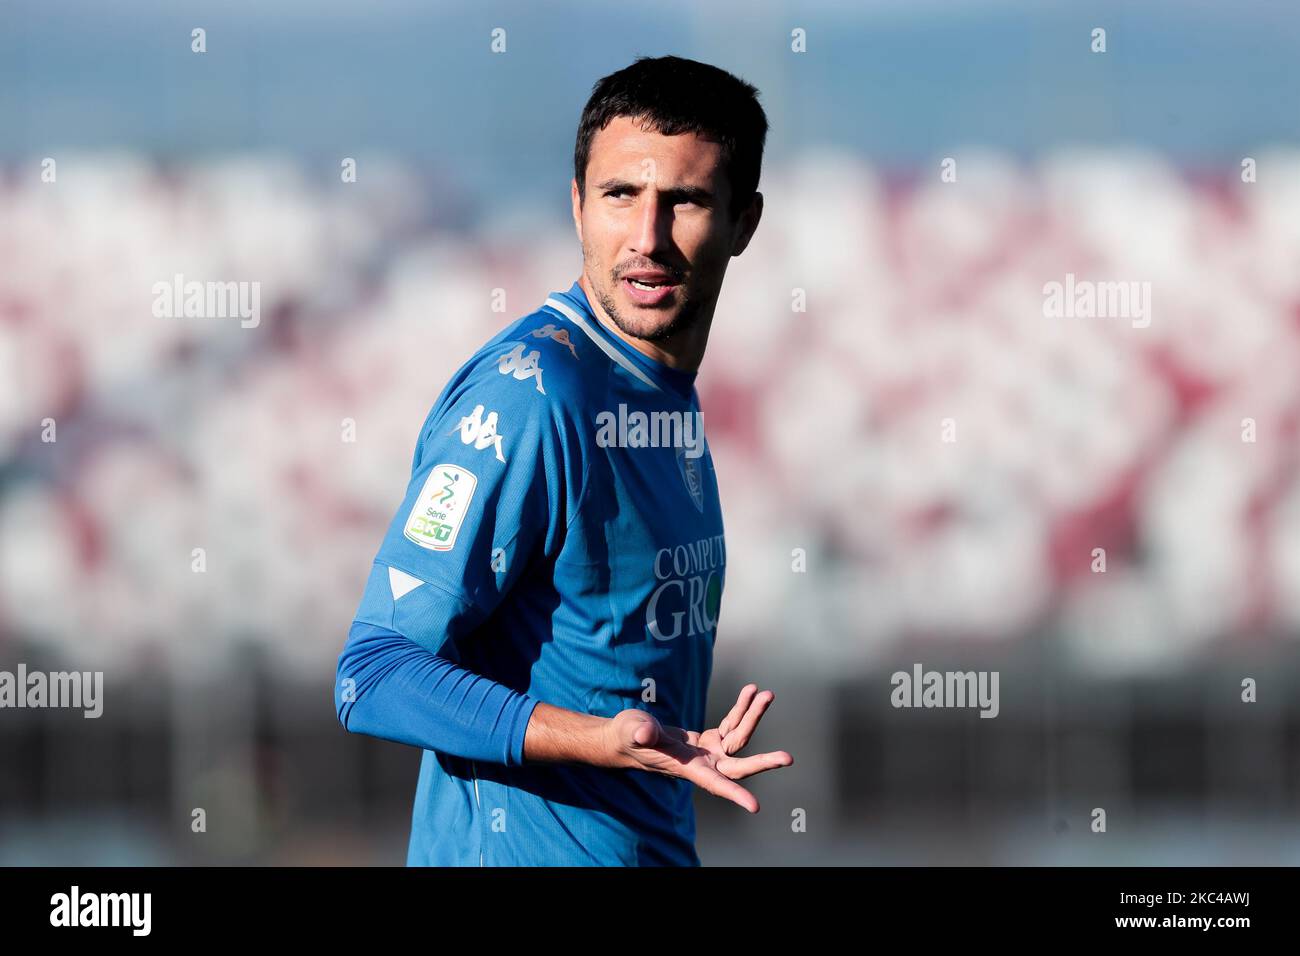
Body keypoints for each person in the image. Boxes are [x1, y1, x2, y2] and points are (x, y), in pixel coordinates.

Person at [335, 54, 791, 866]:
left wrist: (649, 749)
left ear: (744, 222)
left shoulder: (659, 392)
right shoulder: (534, 396)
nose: (647, 238)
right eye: (621, 195)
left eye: (683, 200)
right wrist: (593, 740)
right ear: (578, 206)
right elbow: (372, 673)